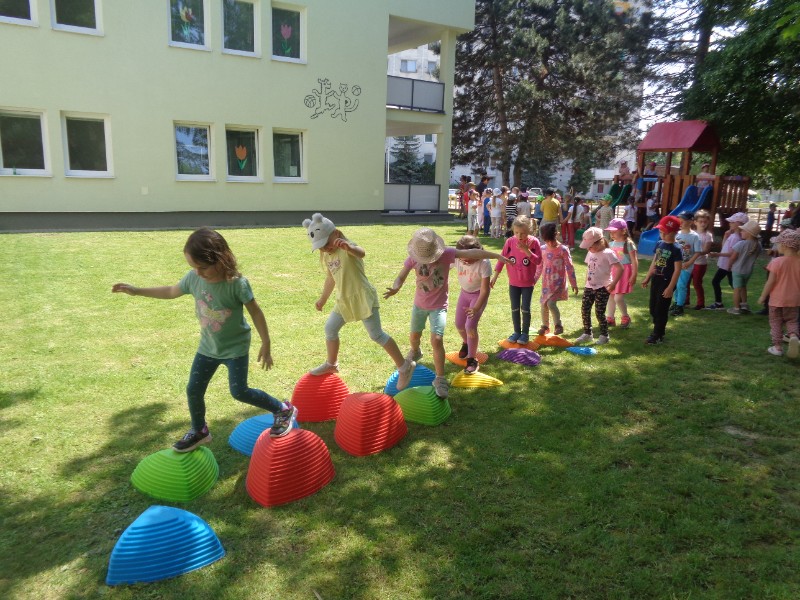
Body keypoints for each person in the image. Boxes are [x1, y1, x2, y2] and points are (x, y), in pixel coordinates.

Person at [111, 227, 296, 452]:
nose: (198, 272)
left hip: (235, 348)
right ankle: (200, 430)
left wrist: (266, 343)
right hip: (208, 347)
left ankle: (282, 409)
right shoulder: (194, 279)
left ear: (220, 259)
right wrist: (137, 291)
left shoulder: (237, 284)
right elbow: (170, 291)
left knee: (239, 391)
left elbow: (256, 312)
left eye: (203, 267)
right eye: (194, 267)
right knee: (193, 389)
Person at [383, 228, 506, 398]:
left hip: (439, 306)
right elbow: (401, 276)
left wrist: (497, 256)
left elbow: (473, 252)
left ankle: (440, 379)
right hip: (419, 306)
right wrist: (396, 287)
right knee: (414, 336)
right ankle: (416, 351)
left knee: (437, 339)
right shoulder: (413, 258)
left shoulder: (446, 254)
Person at [303, 213, 416, 391]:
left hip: (362, 297)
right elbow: (331, 279)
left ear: (335, 234)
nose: (325, 249)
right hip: (344, 300)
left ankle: (404, 367)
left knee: (376, 335)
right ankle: (331, 364)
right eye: (321, 247)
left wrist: (349, 247)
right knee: (330, 329)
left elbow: (361, 253)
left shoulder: (347, 247)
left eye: (326, 243)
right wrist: (322, 299)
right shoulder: (328, 256)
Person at [491, 215, 543, 344]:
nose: (519, 236)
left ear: (529, 231)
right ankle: (516, 332)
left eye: (523, 233)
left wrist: (526, 251)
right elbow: (502, 259)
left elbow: (538, 261)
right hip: (513, 282)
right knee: (514, 308)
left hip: (527, 283)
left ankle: (525, 334)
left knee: (525, 308)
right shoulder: (509, 242)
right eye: (516, 232)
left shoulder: (534, 242)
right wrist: (495, 276)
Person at [574, 227, 622, 345]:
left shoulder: (608, 253)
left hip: (603, 287)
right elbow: (589, 268)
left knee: (599, 312)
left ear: (599, 242)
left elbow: (620, 268)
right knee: (585, 309)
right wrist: (586, 283)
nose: (589, 248)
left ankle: (604, 335)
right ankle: (587, 333)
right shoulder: (590, 252)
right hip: (589, 286)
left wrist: (613, 284)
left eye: (590, 246)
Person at [454, 235, 493, 374]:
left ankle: (472, 359)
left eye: (469, 259)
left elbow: (485, 290)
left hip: (478, 296)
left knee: (470, 326)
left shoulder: (484, 262)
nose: (465, 261)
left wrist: (476, 308)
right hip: (464, 294)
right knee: (459, 324)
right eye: (462, 259)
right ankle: (466, 343)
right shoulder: (457, 258)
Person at [758, 229, 800, 357]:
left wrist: (763, 296)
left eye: (778, 244)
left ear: (785, 245)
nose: (777, 246)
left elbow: (770, 282)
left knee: (775, 322)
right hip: (794, 300)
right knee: (792, 321)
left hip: (776, 300)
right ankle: (793, 336)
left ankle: (777, 347)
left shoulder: (776, 262)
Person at [641, 216, 683, 345]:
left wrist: (670, 287)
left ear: (675, 232)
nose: (662, 235)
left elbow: (677, 270)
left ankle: (657, 334)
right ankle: (658, 329)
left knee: (661, 309)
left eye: (666, 233)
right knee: (653, 308)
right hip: (656, 279)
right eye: (661, 232)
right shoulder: (659, 243)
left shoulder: (676, 248)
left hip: (666, 282)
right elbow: (654, 262)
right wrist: (648, 277)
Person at [537, 223, 578, 336]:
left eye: (552, 240)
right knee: (544, 304)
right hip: (546, 284)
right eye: (547, 240)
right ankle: (545, 326)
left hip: (558, 283)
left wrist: (573, 283)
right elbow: (539, 266)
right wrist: (533, 280)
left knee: (551, 303)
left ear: (557, 234)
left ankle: (558, 325)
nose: (550, 243)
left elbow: (569, 267)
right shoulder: (542, 249)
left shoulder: (563, 249)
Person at [707, 212, 748, 310]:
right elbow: (724, 248)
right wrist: (725, 237)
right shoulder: (733, 236)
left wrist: (717, 254)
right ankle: (742, 303)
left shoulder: (736, 238)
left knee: (716, 281)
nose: (730, 224)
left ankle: (719, 303)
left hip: (727, 265)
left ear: (738, 224)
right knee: (733, 283)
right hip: (726, 264)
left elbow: (732, 254)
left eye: (732, 222)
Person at [604, 218, 638, 329]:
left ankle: (625, 316)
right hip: (613, 273)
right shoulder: (610, 244)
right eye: (610, 231)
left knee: (618, 298)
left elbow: (634, 261)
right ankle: (610, 318)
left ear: (623, 231)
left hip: (624, 273)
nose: (611, 233)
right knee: (611, 296)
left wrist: (634, 275)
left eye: (614, 231)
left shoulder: (628, 244)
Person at [724, 220, 761, 314]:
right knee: (743, 287)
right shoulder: (758, 245)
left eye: (743, 230)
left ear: (749, 233)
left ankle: (736, 308)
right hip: (748, 271)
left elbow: (733, 257)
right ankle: (744, 305)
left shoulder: (741, 244)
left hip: (737, 270)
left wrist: (729, 265)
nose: (741, 232)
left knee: (737, 289)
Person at [670, 212, 702, 317]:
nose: (680, 223)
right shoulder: (677, 234)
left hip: (686, 266)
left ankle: (680, 306)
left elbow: (697, 252)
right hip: (675, 265)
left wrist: (689, 262)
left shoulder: (694, 236)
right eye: (679, 221)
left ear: (691, 222)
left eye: (683, 221)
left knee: (681, 285)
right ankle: (675, 303)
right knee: (675, 284)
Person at [687, 209, 714, 310]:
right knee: (686, 281)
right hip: (689, 262)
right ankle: (685, 300)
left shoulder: (708, 235)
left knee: (697, 283)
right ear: (695, 222)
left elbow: (706, 250)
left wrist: (696, 253)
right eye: (700, 221)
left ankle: (700, 303)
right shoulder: (691, 233)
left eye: (705, 222)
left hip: (700, 263)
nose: (703, 224)